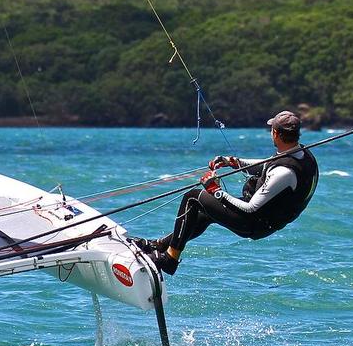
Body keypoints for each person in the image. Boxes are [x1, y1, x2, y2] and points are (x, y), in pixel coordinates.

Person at [131, 110, 319, 275]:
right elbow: (266, 166)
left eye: (272, 130)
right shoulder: (300, 154)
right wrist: (232, 161)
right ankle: (159, 246)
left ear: (276, 133)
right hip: (262, 217)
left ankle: (170, 260)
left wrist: (216, 191)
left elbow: (251, 208)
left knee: (193, 198)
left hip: (254, 222)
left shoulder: (284, 172)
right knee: (204, 214)